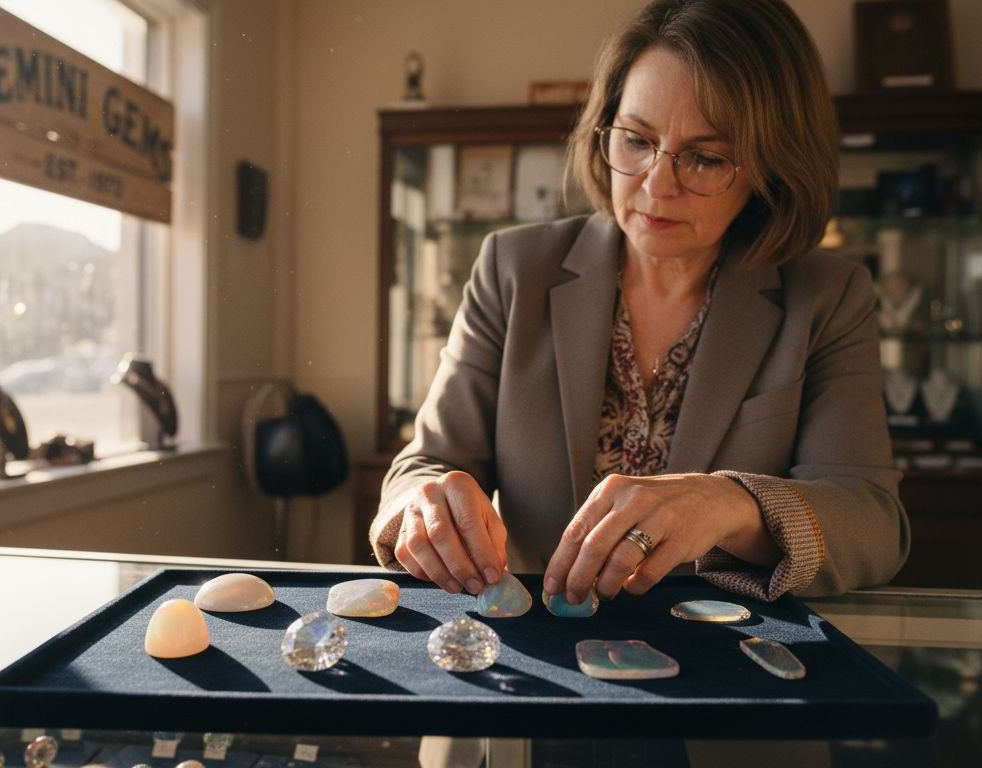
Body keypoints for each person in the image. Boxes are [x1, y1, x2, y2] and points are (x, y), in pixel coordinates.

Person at [369, 0, 909, 605]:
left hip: (724, 645)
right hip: (540, 639)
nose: (656, 184)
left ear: (773, 169)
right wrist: (422, 504)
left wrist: (732, 504)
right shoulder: (515, 269)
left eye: (705, 158)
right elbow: (423, 466)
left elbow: (873, 523)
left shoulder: (827, 296)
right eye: (635, 140)